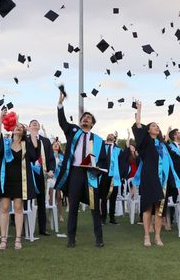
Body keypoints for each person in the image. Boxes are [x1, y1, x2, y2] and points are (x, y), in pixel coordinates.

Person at [54, 90, 107, 248]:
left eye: (88, 118)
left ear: (92, 124)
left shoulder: (98, 140)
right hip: (76, 173)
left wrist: (98, 169)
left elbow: (104, 160)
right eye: (84, 117)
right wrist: (60, 104)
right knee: (74, 206)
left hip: (90, 174)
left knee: (94, 207)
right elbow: (62, 121)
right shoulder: (73, 131)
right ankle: (71, 238)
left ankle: (99, 238)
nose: (85, 119)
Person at [132, 100, 180, 247]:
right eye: (153, 126)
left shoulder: (163, 146)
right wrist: (139, 110)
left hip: (162, 182)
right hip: (149, 179)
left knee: (159, 210)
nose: (156, 127)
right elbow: (138, 128)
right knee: (148, 208)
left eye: (157, 126)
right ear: (148, 130)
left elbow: (175, 162)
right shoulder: (145, 143)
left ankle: (158, 237)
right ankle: (147, 236)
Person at [0, 108, 38, 250]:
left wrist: (31, 130)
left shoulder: (26, 145)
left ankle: (18, 239)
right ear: (12, 129)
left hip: (21, 181)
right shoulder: (5, 143)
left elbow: (35, 153)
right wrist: (1, 117)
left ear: (24, 132)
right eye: (16, 127)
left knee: (18, 208)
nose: (18, 128)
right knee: (4, 208)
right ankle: (4, 239)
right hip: (5, 180)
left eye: (20, 128)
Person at [28, 119, 55, 236]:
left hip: (41, 174)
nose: (35, 123)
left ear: (39, 127)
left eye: (37, 123)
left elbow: (50, 157)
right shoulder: (25, 139)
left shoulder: (45, 141)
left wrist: (51, 170)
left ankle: (42, 228)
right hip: (28, 174)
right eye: (32, 122)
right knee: (27, 201)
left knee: (41, 202)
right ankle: (25, 227)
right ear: (29, 126)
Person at [99, 132, 122, 225]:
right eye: (109, 135)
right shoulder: (102, 148)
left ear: (115, 139)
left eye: (113, 136)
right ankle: (103, 218)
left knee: (113, 198)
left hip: (114, 176)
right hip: (104, 174)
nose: (111, 136)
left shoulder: (118, 150)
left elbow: (122, 162)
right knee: (103, 198)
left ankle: (112, 218)